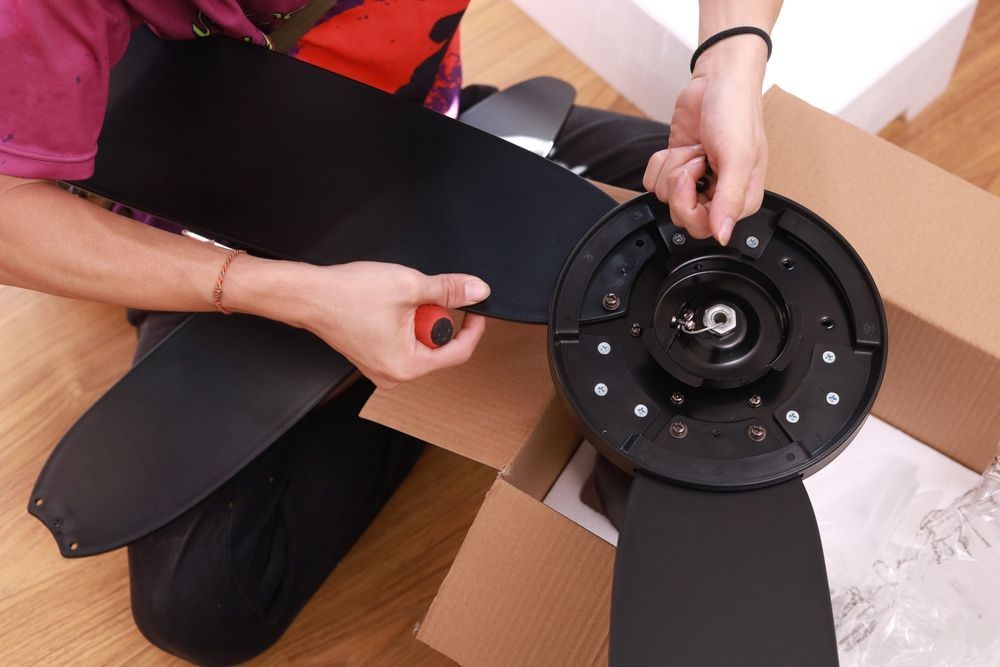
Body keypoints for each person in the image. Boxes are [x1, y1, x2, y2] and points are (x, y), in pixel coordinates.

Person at [0, 0, 782, 663]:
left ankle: (482, 216)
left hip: (426, 141)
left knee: (750, 230)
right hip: (219, 224)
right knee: (200, 597)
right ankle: (429, 356)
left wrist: (729, 61)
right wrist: (277, 292)